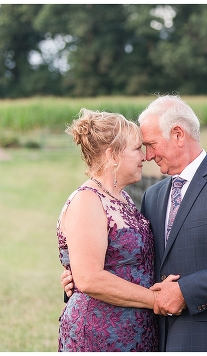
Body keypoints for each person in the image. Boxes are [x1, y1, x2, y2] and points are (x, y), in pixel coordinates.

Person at [62, 95, 207, 351]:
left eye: (150, 144)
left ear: (178, 135)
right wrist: (79, 280)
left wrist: (185, 291)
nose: (148, 156)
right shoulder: (154, 195)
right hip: (161, 337)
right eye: (141, 147)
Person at [57, 109, 177, 351]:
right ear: (113, 155)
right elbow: (90, 279)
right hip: (100, 334)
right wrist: (155, 299)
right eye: (136, 149)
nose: (144, 157)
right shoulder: (88, 201)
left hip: (135, 329)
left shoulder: (122, 198)